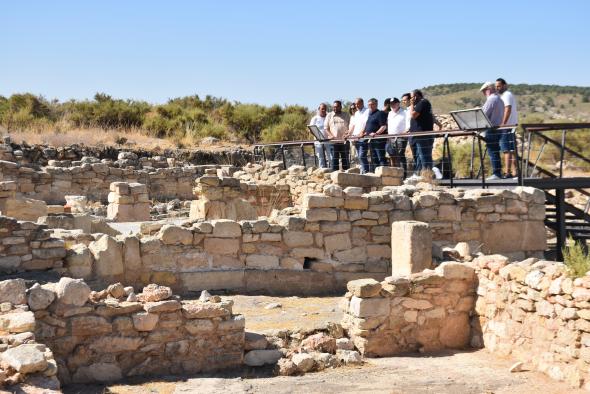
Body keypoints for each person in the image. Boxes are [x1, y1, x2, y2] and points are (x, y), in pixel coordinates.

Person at [480, 81, 506, 180]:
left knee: (492, 151)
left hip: (491, 128)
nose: (484, 93)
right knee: (495, 150)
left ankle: (496, 173)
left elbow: (483, 114)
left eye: (484, 91)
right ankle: (498, 172)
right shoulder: (499, 99)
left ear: (488, 89)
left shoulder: (491, 99)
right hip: (498, 128)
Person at [496, 78, 519, 178]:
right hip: (512, 125)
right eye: (496, 86)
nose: (497, 88)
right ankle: (515, 172)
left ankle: (508, 172)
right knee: (512, 150)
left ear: (505, 85)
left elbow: (507, 109)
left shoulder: (506, 95)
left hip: (507, 126)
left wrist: (503, 124)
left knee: (506, 150)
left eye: (499, 86)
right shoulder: (509, 95)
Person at [408, 89, 435, 175]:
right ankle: (419, 174)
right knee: (420, 156)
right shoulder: (422, 103)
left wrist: (411, 104)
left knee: (424, 156)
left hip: (422, 135)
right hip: (419, 134)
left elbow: (413, 115)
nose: (410, 99)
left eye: (411, 97)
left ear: (416, 96)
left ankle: (427, 176)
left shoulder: (422, 103)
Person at [324, 100, 351, 171]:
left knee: (345, 159)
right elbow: (326, 128)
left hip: (344, 141)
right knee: (334, 159)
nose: (335, 108)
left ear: (340, 107)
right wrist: (330, 135)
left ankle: (347, 175)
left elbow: (350, 127)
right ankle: (334, 176)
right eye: (334, 107)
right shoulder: (329, 115)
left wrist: (347, 133)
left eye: (336, 107)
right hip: (333, 142)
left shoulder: (346, 115)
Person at [363, 98, 388, 172]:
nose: (370, 106)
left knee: (381, 157)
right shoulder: (370, 114)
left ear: (376, 104)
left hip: (379, 140)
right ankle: (376, 174)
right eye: (369, 105)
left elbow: (383, 126)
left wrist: (376, 133)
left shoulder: (380, 113)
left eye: (372, 104)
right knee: (374, 158)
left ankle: (384, 174)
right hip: (371, 140)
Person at [346, 98, 369, 173]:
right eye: (355, 104)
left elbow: (366, 123)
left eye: (358, 104)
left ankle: (366, 171)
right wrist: (349, 133)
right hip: (356, 137)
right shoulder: (356, 113)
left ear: (362, 103)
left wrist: (362, 132)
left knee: (362, 156)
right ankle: (363, 171)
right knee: (359, 156)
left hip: (363, 137)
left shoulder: (367, 111)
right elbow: (353, 125)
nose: (356, 105)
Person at [386, 97, 407, 172]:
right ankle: (395, 173)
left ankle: (403, 174)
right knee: (392, 155)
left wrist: (405, 133)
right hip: (390, 138)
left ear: (398, 104)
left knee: (400, 156)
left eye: (394, 104)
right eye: (391, 104)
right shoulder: (390, 113)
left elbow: (408, 124)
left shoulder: (405, 112)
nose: (392, 105)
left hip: (401, 138)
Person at [309, 103, 331, 168]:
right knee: (321, 157)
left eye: (325, 109)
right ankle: (322, 172)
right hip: (318, 141)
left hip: (328, 140)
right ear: (319, 109)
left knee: (330, 156)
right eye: (322, 109)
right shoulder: (315, 118)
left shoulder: (328, 117)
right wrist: (317, 136)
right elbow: (310, 129)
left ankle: (333, 171)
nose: (323, 110)